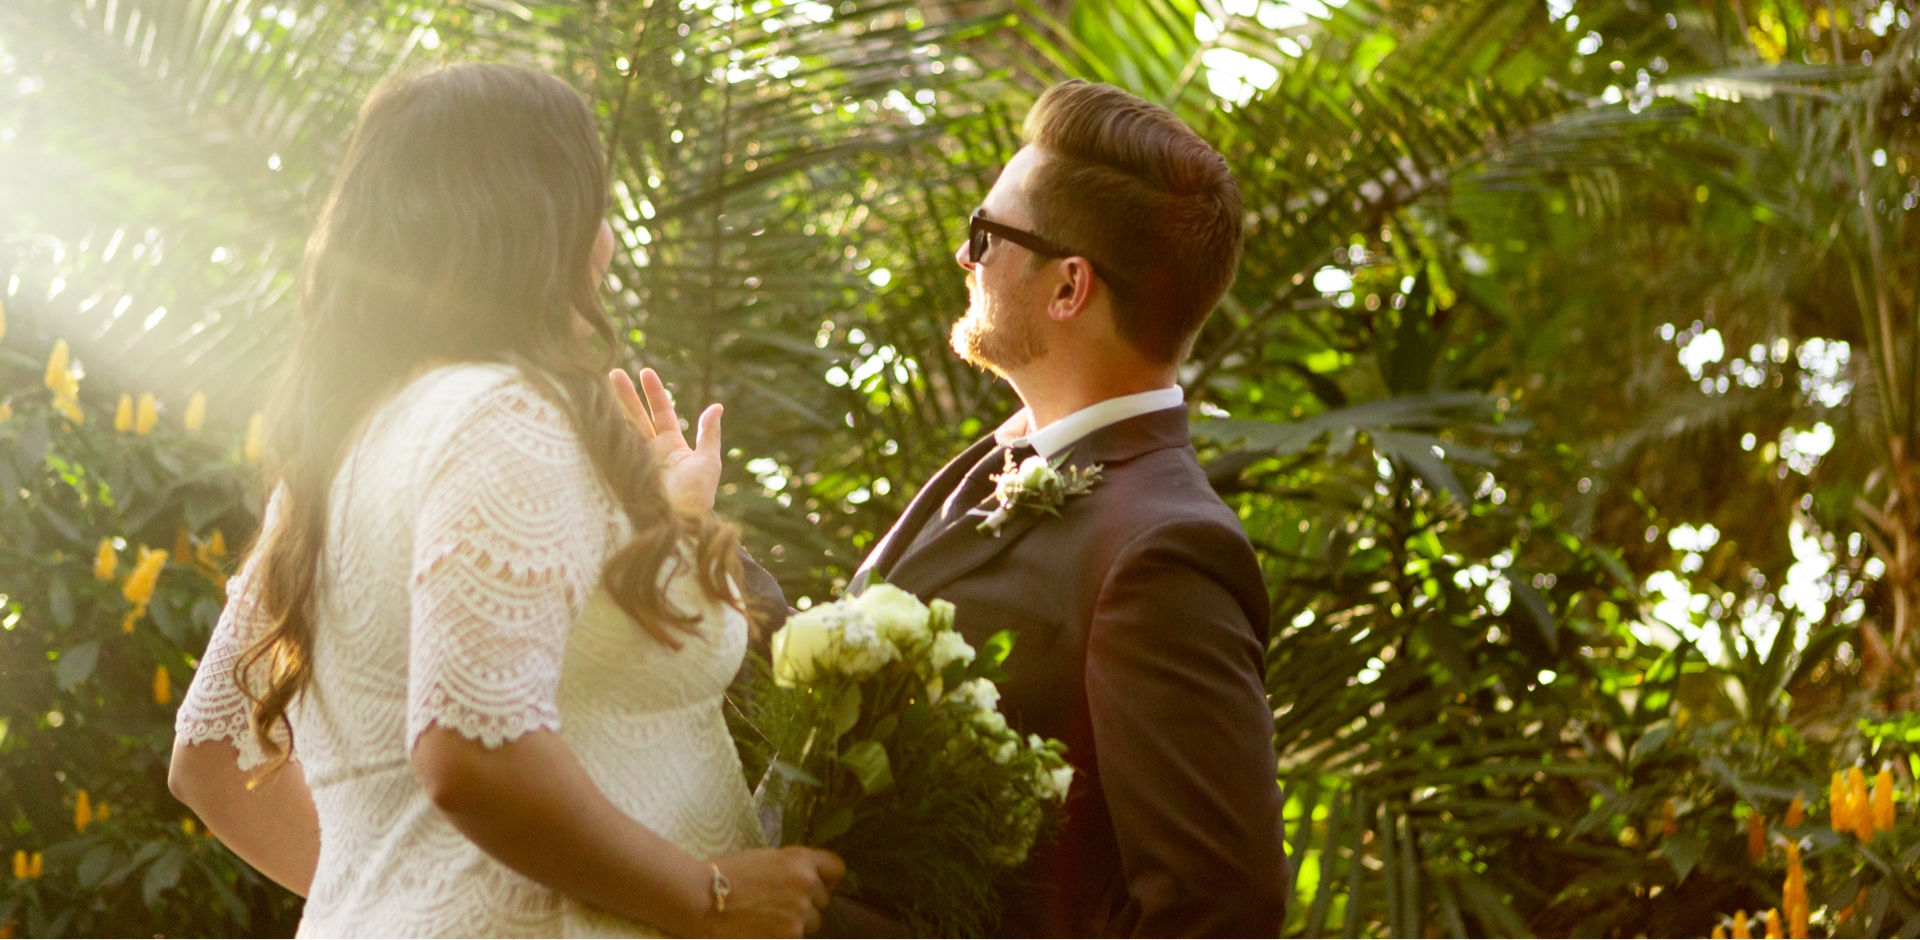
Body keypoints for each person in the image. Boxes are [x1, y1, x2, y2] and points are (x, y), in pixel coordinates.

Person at [168, 64, 843, 937]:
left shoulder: (340, 452)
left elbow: (212, 760)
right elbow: (472, 754)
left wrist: (395, 901)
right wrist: (706, 893)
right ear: (544, 222)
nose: (603, 240)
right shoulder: (505, 414)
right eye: (593, 202)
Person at [851, 79, 1287, 936]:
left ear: (1067, 288)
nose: (964, 257)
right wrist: (693, 535)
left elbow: (1221, 906)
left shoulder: (1164, 551)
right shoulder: (1000, 455)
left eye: (987, 234)